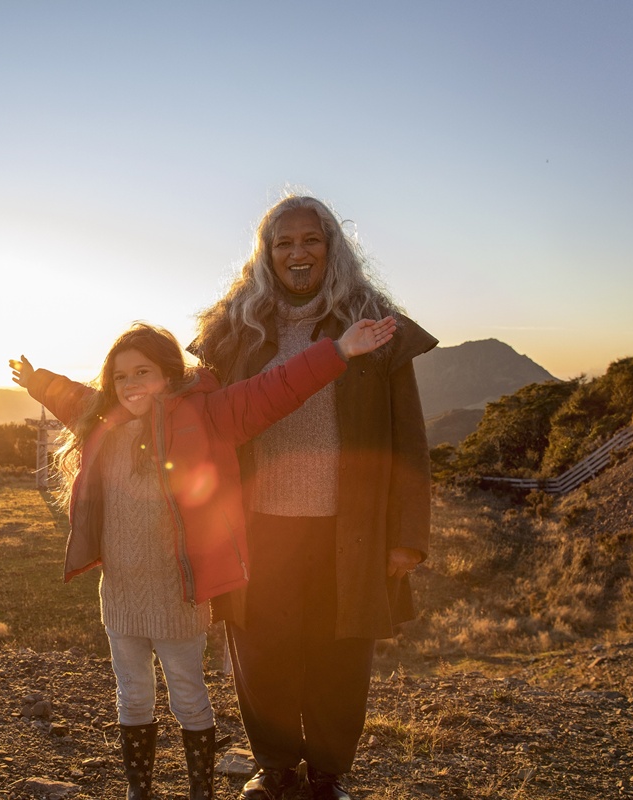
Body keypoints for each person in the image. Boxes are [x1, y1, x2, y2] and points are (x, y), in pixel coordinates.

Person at [11, 316, 396, 800]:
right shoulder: (102, 420)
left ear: (170, 376)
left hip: (180, 595)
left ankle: (201, 794)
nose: (131, 385)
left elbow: (272, 390)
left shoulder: (207, 414)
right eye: (121, 375)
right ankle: (139, 792)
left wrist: (337, 350)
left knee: (189, 697)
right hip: (121, 596)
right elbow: (70, 397)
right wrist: (37, 381)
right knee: (132, 696)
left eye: (143, 372)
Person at [188, 195, 436, 800]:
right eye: (284, 243)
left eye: (311, 241)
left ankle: (326, 776)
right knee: (261, 651)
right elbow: (201, 421)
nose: (297, 254)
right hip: (257, 523)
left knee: (339, 655)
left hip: (345, 525)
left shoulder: (374, 324)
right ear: (266, 253)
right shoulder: (234, 328)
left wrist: (407, 536)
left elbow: (408, 437)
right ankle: (274, 770)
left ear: (332, 248)